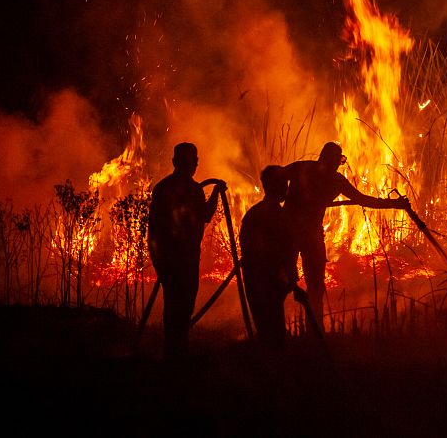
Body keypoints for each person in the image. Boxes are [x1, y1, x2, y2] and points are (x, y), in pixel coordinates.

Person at [281, 141, 408, 331]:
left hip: (306, 234)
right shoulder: (314, 173)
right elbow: (276, 177)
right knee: (287, 282)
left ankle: (312, 331)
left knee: (312, 285)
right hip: (295, 234)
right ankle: (288, 331)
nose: (333, 165)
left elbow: (363, 199)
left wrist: (393, 204)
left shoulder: (312, 171)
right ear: (327, 160)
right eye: (334, 161)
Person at [147, 142, 226, 361]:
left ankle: (175, 350)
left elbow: (153, 229)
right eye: (193, 161)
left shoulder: (167, 188)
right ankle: (176, 354)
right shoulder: (189, 190)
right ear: (193, 163)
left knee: (176, 305)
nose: (194, 165)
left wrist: (158, 261)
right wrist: (217, 193)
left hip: (175, 258)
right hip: (181, 259)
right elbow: (206, 216)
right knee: (180, 306)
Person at [239, 165, 303, 350]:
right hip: (269, 281)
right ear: (275, 186)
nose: (287, 188)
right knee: (274, 333)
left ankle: (265, 368)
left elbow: (247, 247)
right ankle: (274, 370)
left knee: (265, 329)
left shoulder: (253, 213)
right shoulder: (279, 216)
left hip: (255, 280)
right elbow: (285, 252)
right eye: (284, 184)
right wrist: (291, 282)